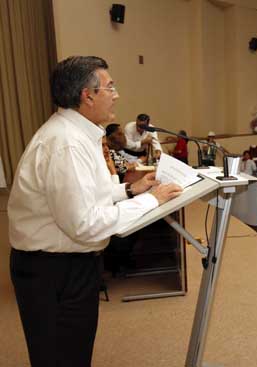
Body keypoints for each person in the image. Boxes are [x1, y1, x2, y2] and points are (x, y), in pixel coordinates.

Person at [7, 56, 182, 367]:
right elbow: (85, 224)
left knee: (72, 353)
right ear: (87, 96)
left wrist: (129, 190)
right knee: (63, 358)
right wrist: (152, 200)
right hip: (54, 270)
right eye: (110, 87)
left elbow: (83, 196)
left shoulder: (78, 134)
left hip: (66, 264)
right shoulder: (67, 144)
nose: (116, 95)